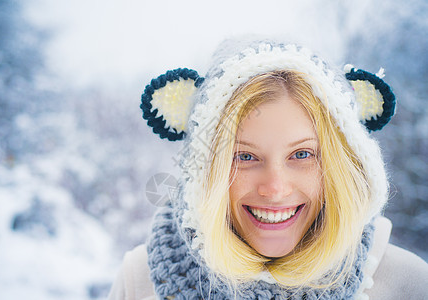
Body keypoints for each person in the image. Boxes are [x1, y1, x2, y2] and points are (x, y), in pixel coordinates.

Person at [107, 38, 428, 299]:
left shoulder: (408, 284)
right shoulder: (140, 280)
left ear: (338, 166)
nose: (275, 188)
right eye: (245, 157)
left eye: (302, 154)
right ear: (205, 171)